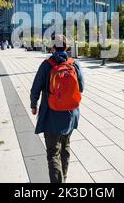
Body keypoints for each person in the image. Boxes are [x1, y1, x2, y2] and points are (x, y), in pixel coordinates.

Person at [30, 34, 84, 183]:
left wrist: (34, 105)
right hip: (69, 114)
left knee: (53, 152)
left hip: (51, 114)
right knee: (65, 148)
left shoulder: (46, 65)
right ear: (66, 47)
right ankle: (63, 179)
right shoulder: (74, 64)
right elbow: (82, 88)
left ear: (52, 47)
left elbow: (35, 88)